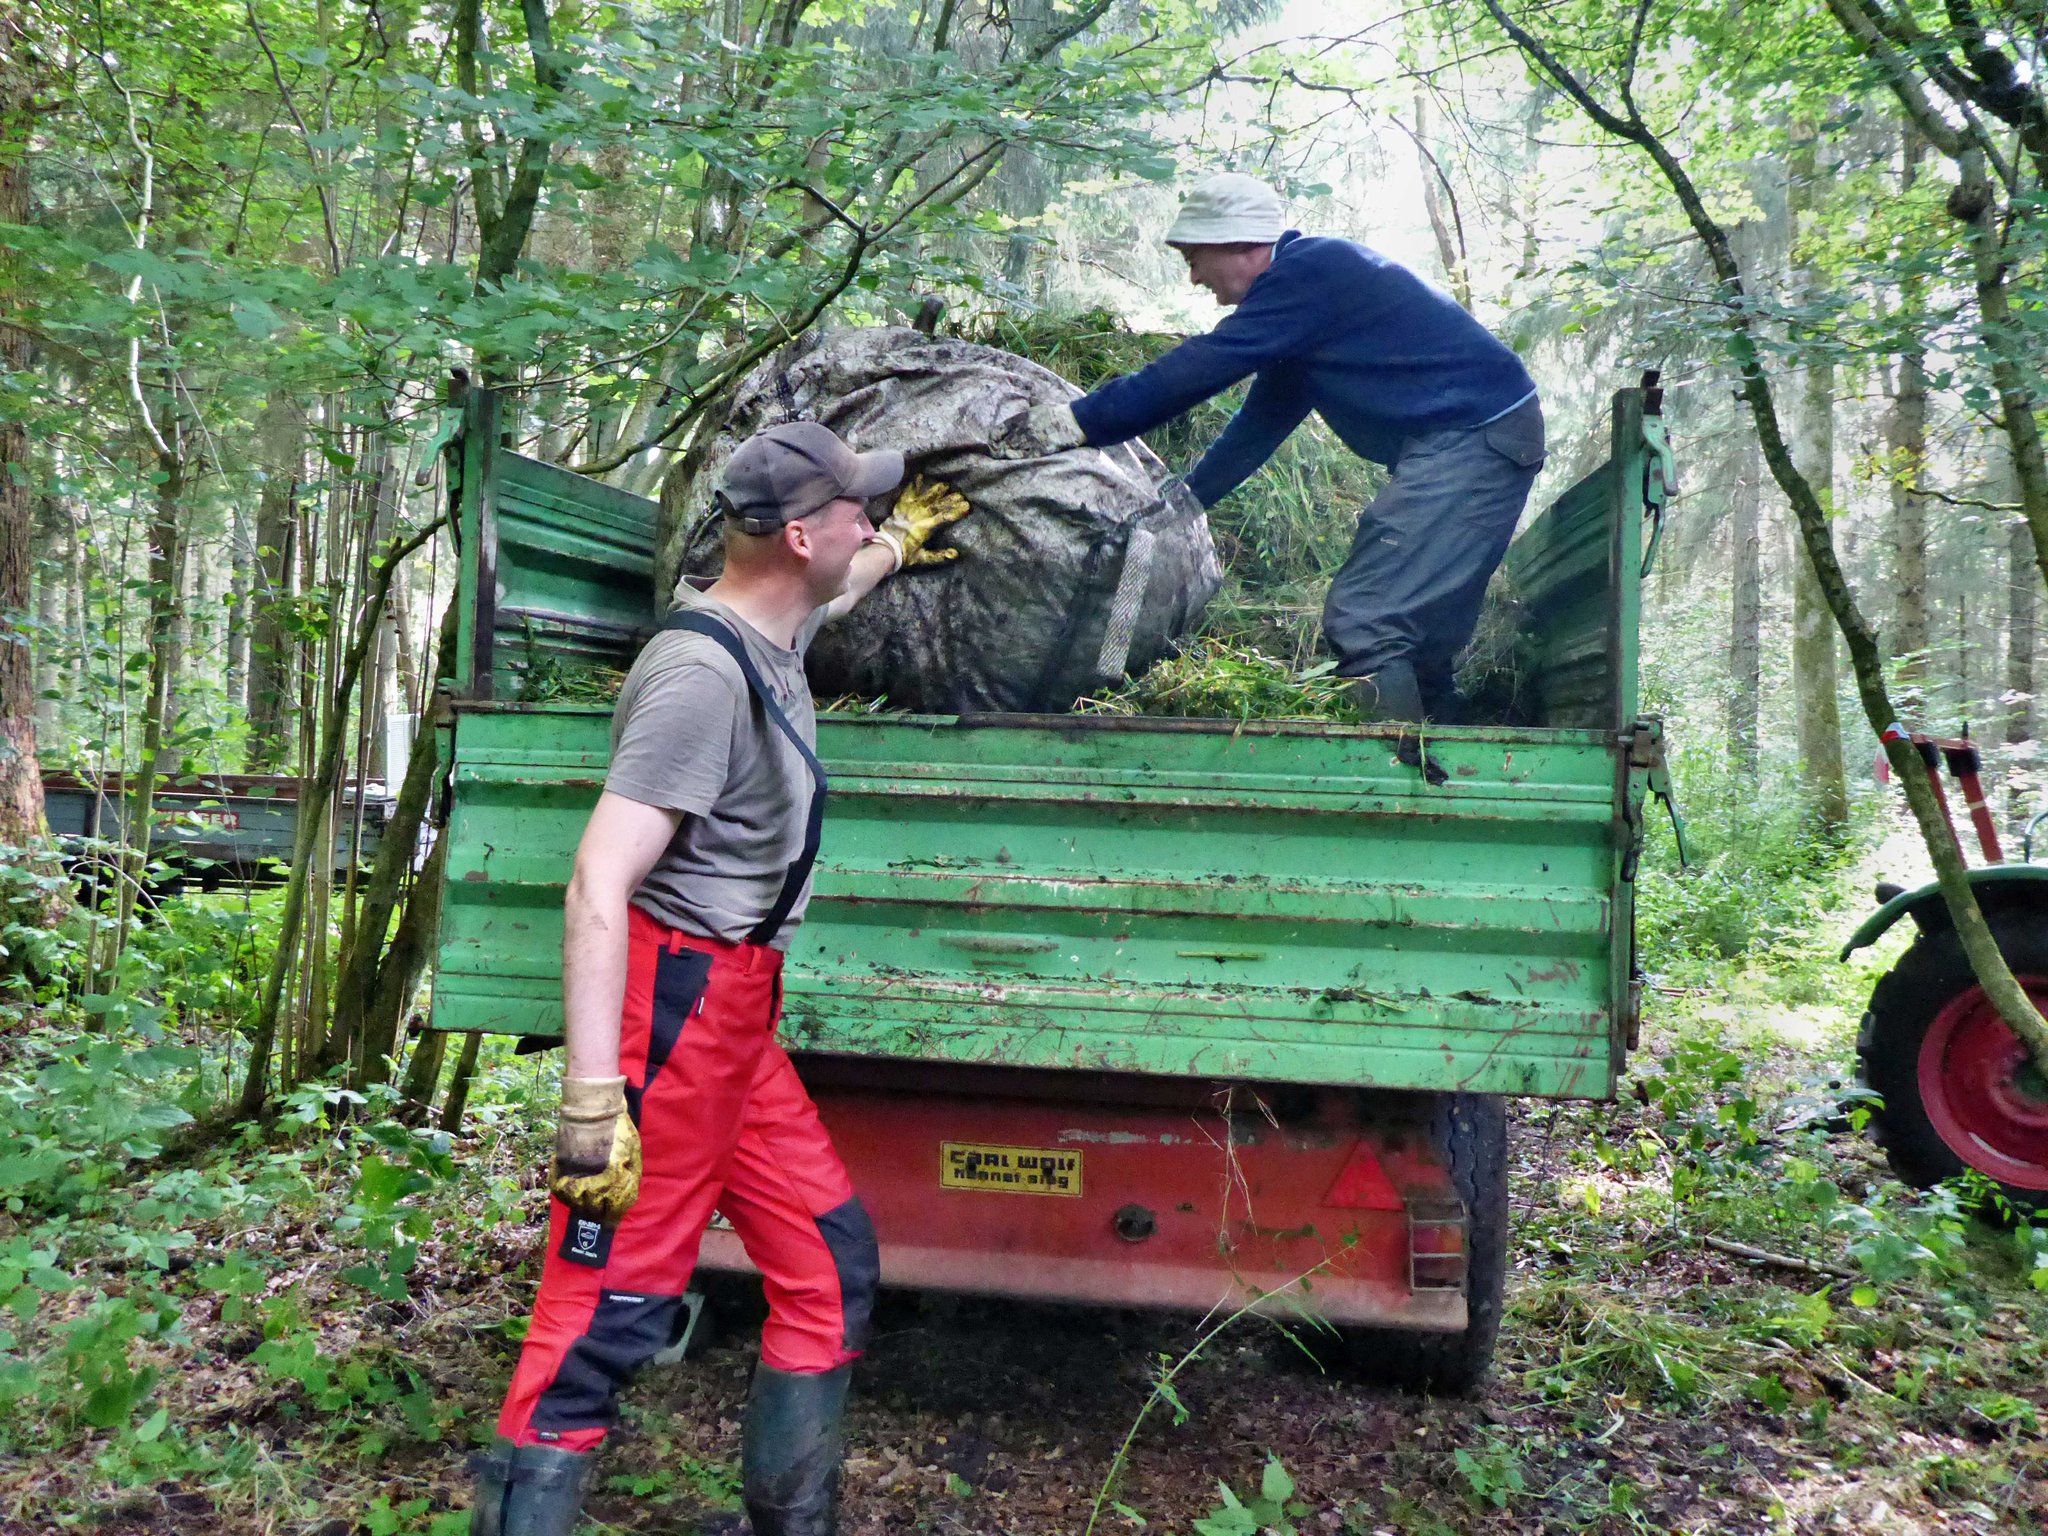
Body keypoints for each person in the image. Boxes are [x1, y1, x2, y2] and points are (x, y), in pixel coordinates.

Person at [470, 422, 972, 1536]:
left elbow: (822, 600)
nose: (867, 521)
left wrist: (894, 547)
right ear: (799, 534)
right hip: (673, 1015)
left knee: (827, 1261)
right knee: (602, 1314)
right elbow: (599, 881)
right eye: (855, 511)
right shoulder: (699, 674)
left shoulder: (769, 630)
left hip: (735, 1018)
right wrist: (592, 1105)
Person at [990, 171, 1545, 728]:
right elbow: (1264, 418)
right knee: (1415, 632)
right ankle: (1444, 767)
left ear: (1236, 244)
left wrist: (1078, 421)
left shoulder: (1311, 272)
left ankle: (1387, 785)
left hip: (1475, 440)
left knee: (1369, 619)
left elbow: (1202, 365)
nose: (1193, 278)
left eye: (1194, 258)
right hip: (1481, 438)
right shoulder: (1308, 299)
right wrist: (1188, 499)